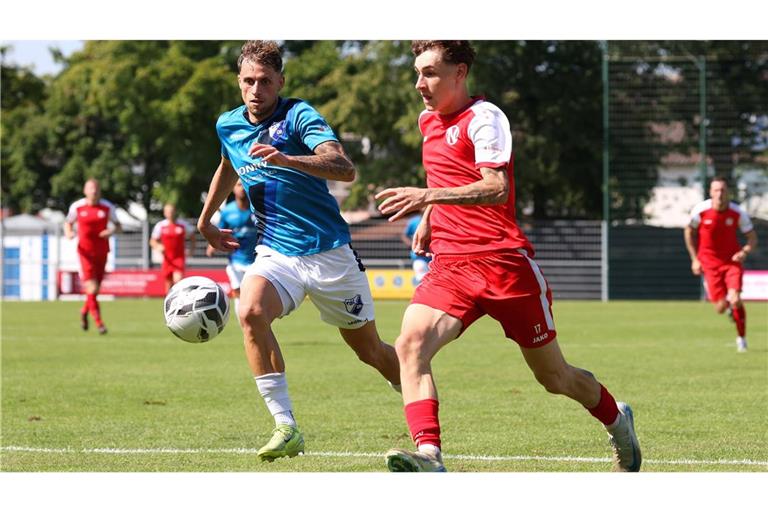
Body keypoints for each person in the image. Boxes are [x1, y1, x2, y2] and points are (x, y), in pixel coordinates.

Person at [375, 40, 641, 472]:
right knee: (410, 345)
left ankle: (616, 419)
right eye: (417, 73)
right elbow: (441, 174)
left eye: (430, 73)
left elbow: (495, 186)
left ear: (459, 73)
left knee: (555, 378)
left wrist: (428, 196)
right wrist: (429, 214)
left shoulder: (485, 117)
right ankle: (429, 455)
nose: (420, 83)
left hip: (503, 264)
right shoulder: (427, 121)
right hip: (451, 266)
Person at [196, 40, 400, 463]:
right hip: (277, 253)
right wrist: (205, 219)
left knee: (370, 352)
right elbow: (228, 165)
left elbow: (344, 168)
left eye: (265, 82)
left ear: (280, 83)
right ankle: (285, 425)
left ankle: (417, 392)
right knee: (250, 310)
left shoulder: (298, 115)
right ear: (239, 82)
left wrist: (288, 160)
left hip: (329, 254)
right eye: (249, 81)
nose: (257, 90)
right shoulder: (228, 125)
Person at [684, 176, 758, 352]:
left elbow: (752, 238)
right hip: (709, 264)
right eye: (716, 190)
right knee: (720, 307)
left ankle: (742, 339)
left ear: (728, 192)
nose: (720, 194)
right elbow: (688, 232)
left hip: (732, 262)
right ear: (710, 192)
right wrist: (695, 259)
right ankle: (729, 310)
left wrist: (744, 252)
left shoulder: (737, 212)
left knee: (736, 298)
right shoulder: (700, 211)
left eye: (723, 190)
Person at [63, 178, 122, 335]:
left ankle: (84, 311)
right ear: (85, 190)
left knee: (94, 291)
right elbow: (68, 222)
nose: (93, 191)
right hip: (85, 253)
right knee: (92, 287)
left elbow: (118, 226)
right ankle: (99, 323)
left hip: (102, 252)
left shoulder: (107, 207)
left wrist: (110, 231)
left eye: (96, 188)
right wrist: (68, 232)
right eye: (90, 188)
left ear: (99, 190)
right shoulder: (77, 206)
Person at [206, 181, 259, 311]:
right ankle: (244, 324)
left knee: (256, 297)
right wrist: (212, 246)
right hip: (235, 261)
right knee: (238, 293)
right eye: (238, 185)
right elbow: (220, 232)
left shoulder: (258, 209)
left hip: (257, 261)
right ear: (233, 189)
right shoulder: (228, 212)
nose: (241, 188)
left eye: (243, 184)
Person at [150, 203, 196, 293]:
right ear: (164, 213)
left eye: (171, 211)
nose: (170, 213)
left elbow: (193, 237)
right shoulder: (160, 225)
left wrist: (191, 250)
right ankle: (169, 303)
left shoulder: (182, 225)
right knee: (168, 283)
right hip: (167, 259)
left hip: (179, 258)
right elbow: (152, 241)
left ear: (175, 212)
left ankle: (180, 302)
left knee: (178, 281)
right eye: (168, 212)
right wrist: (158, 246)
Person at [401, 211, 431, 284]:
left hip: (433, 258)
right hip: (419, 258)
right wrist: (411, 244)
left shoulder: (434, 220)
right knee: (422, 282)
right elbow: (404, 235)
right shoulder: (414, 221)